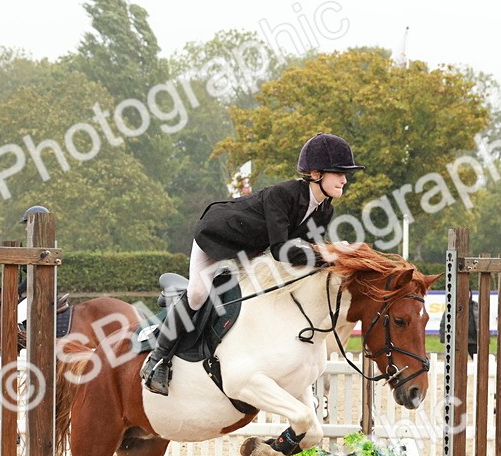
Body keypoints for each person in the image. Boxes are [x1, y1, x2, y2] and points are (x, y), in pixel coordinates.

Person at [141, 133, 365, 395]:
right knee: (198, 294)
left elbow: (306, 252)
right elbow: (283, 250)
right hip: (217, 237)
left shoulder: (325, 209)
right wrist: (328, 254)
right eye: (338, 172)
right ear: (316, 174)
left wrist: (336, 255)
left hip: (251, 251)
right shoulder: (284, 195)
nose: (344, 179)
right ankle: (159, 358)